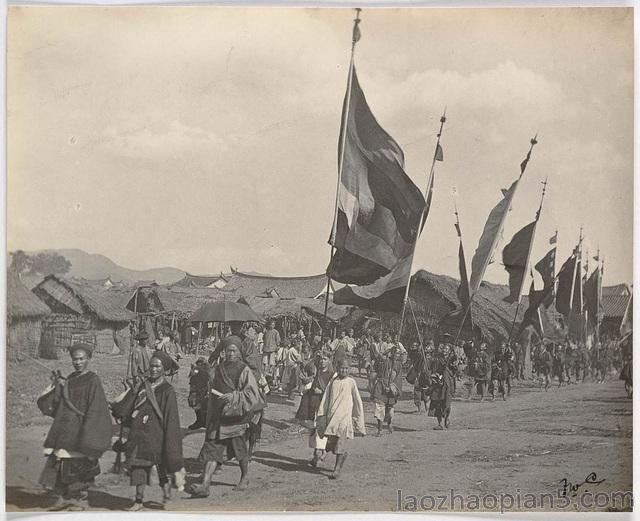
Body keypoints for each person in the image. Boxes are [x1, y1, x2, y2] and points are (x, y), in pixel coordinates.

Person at [37, 343, 113, 511]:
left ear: (88, 359)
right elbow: (62, 404)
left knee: (78, 465)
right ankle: (66, 498)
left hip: (81, 430)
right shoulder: (70, 378)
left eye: (81, 359)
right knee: (62, 464)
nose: (77, 362)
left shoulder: (93, 379)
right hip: (66, 430)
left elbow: (96, 408)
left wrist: (89, 433)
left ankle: (79, 501)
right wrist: (58, 386)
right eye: (75, 359)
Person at [191, 338, 266, 496]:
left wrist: (233, 396)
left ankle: (244, 477)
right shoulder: (218, 369)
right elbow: (210, 386)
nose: (231, 353)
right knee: (212, 449)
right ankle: (205, 485)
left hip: (235, 417)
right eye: (228, 350)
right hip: (219, 417)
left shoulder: (244, 370)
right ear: (223, 352)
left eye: (234, 350)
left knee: (240, 451)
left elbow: (252, 394)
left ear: (239, 352)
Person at [114, 351, 185, 511]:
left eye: (157, 366)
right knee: (138, 466)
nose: (153, 369)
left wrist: (170, 438)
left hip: (156, 435)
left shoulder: (167, 390)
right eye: (151, 366)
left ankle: (166, 495)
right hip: (138, 434)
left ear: (164, 369)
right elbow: (130, 405)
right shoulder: (142, 386)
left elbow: (170, 418)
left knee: (160, 467)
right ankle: (138, 501)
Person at [316, 359, 366, 479]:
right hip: (332, 418)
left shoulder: (351, 382)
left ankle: (336, 469)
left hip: (344, 419)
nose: (344, 370)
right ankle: (323, 454)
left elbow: (358, 402)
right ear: (337, 369)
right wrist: (322, 414)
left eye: (346, 368)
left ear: (349, 370)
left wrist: (359, 423)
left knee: (340, 445)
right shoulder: (333, 382)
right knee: (331, 442)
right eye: (342, 368)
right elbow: (326, 399)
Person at [296, 349, 334, 467]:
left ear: (329, 360)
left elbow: (333, 392)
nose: (322, 361)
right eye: (321, 359)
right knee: (313, 429)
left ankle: (319, 453)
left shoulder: (332, 375)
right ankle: (317, 454)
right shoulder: (316, 372)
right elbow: (308, 368)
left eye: (325, 359)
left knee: (321, 430)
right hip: (313, 404)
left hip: (324, 405)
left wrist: (321, 391)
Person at [370, 345, 400, 436]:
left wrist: (391, 386)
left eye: (397, 353)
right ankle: (380, 430)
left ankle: (389, 423)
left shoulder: (397, 364)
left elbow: (396, 377)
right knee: (379, 408)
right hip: (380, 386)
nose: (395, 355)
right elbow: (374, 373)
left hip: (391, 387)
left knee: (390, 410)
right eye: (394, 353)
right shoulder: (382, 361)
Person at [429, 343, 456, 429]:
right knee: (437, 403)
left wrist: (452, 365)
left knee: (447, 403)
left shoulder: (452, 359)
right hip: (438, 383)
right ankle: (439, 424)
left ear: (449, 351)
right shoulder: (438, 359)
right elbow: (433, 368)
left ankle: (447, 418)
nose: (444, 350)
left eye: (447, 349)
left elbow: (455, 371)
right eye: (444, 348)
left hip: (447, 384)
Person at [187, 357, 211, 430]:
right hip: (195, 389)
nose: (199, 365)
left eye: (201, 363)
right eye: (198, 363)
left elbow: (208, 380)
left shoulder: (206, 370)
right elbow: (191, 377)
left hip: (204, 389)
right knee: (195, 405)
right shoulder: (196, 370)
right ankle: (199, 421)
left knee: (204, 406)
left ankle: (204, 422)